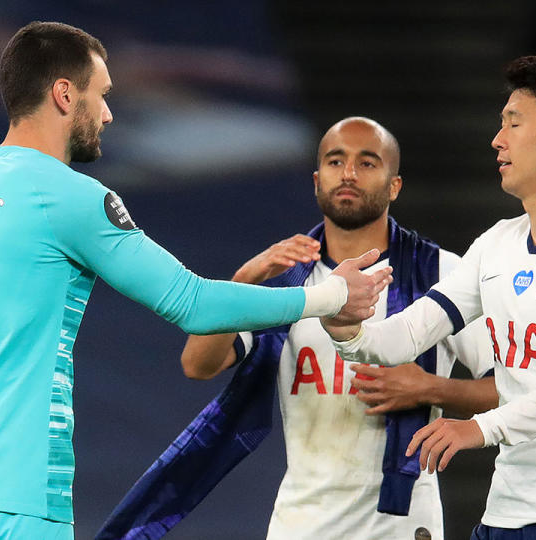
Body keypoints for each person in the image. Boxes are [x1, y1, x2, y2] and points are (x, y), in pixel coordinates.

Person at [0, 22, 391, 540]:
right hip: (19, 500)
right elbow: (193, 302)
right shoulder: (71, 198)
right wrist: (330, 295)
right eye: (103, 94)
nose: (110, 114)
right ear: (65, 95)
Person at [94, 117, 497, 540]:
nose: (348, 174)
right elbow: (198, 364)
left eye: (367, 162)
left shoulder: (442, 272)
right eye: (335, 161)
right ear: (316, 179)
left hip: (402, 526)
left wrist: (429, 389)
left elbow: (510, 388)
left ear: (394, 185)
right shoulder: (286, 277)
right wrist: (246, 277)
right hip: (301, 526)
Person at [323, 56, 536, 539]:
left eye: (514, 124)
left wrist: (483, 427)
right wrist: (346, 326)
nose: (497, 140)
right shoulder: (496, 243)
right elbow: (410, 333)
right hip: (504, 513)